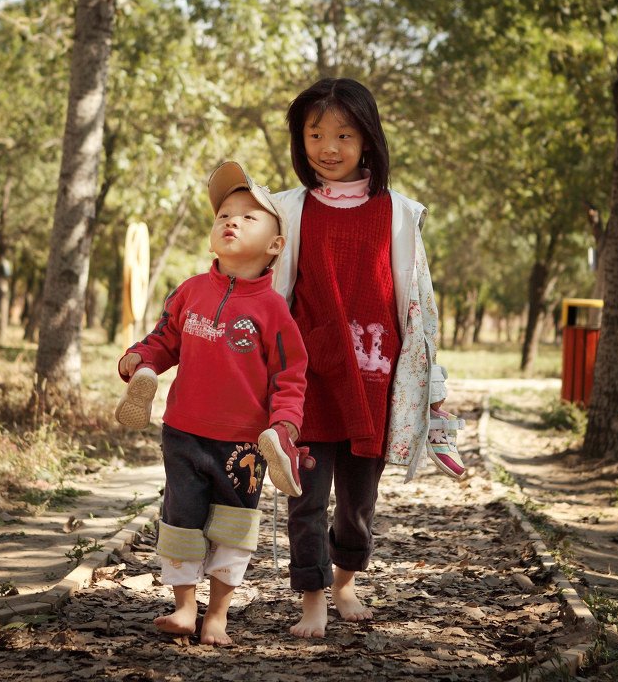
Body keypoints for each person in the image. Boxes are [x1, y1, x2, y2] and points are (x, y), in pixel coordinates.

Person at [270, 77, 465, 638]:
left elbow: (418, 303)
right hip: (307, 384)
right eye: (314, 133)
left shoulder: (399, 213)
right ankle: (311, 598)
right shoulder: (291, 209)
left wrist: (433, 379)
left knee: (358, 502)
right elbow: (269, 290)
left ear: (367, 139)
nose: (327, 147)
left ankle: (345, 583)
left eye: (343, 134)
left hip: (373, 381)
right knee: (303, 499)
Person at [114, 161, 310, 646]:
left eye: (248, 217)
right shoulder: (190, 291)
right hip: (182, 430)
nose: (231, 221)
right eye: (224, 213)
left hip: (244, 442)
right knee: (180, 517)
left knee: (233, 527)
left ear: (275, 246)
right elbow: (165, 339)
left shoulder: (273, 311)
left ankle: (217, 615)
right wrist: (141, 360)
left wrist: (284, 424)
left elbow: (291, 377)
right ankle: (184, 609)